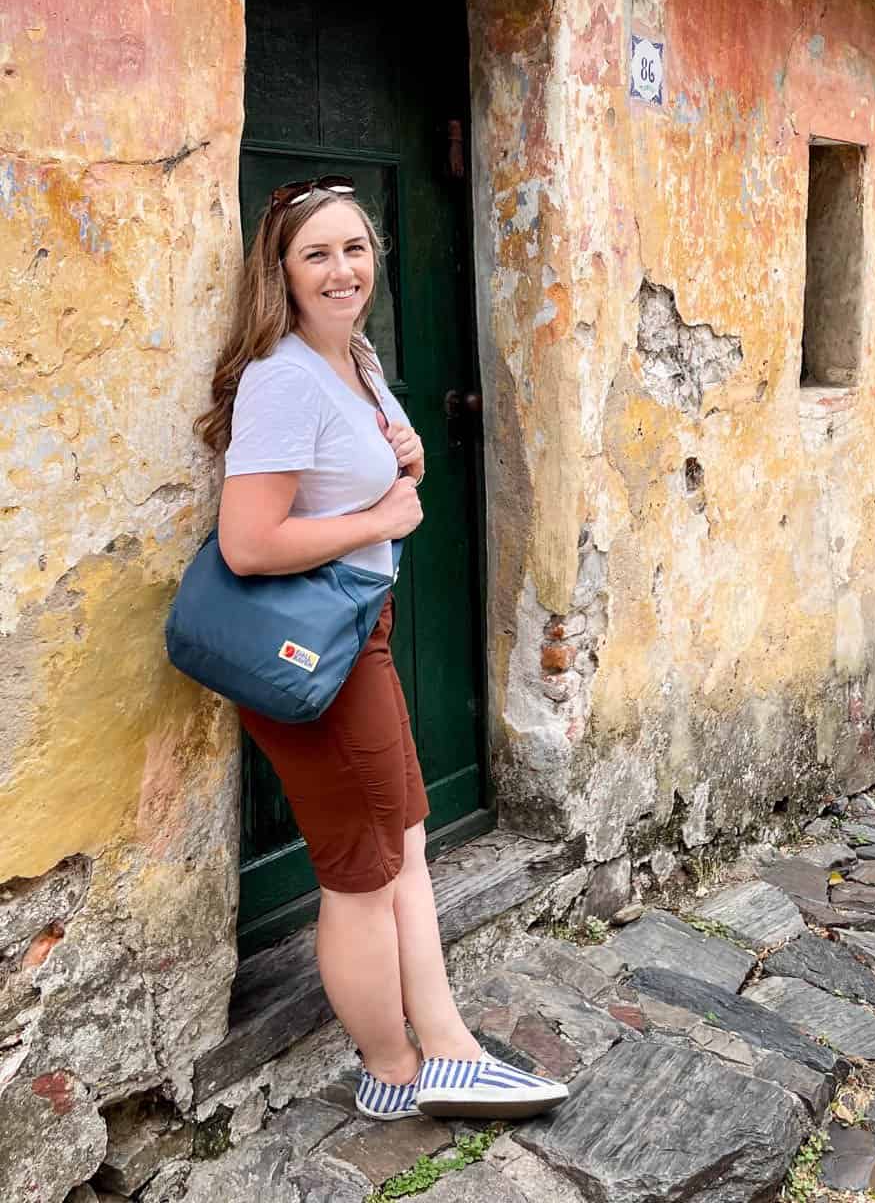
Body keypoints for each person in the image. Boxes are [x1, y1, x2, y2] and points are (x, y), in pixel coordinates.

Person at [195, 175, 567, 1123]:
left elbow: (370, 466)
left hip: (366, 630)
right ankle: (398, 1069)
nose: (341, 269)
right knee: (360, 873)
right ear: (280, 270)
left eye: (354, 249)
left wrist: (403, 460)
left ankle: (446, 1042)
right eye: (316, 254)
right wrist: (382, 513)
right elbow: (247, 542)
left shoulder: (351, 357)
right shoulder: (281, 377)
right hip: (313, 647)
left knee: (404, 848)